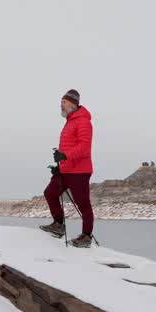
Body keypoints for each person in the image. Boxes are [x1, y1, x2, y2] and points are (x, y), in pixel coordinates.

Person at [40, 89, 95, 247]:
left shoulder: (83, 121)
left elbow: (84, 147)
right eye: (61, 103)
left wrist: (65, 156)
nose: (61, 105)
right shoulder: (70, 121)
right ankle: (58, 225)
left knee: (83, 203)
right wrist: (59, 164)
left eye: (63, 102)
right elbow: (69, 147)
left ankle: (86, 237)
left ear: (72, 103)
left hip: (80, 171)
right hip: (66, 169)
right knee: (50, 193)